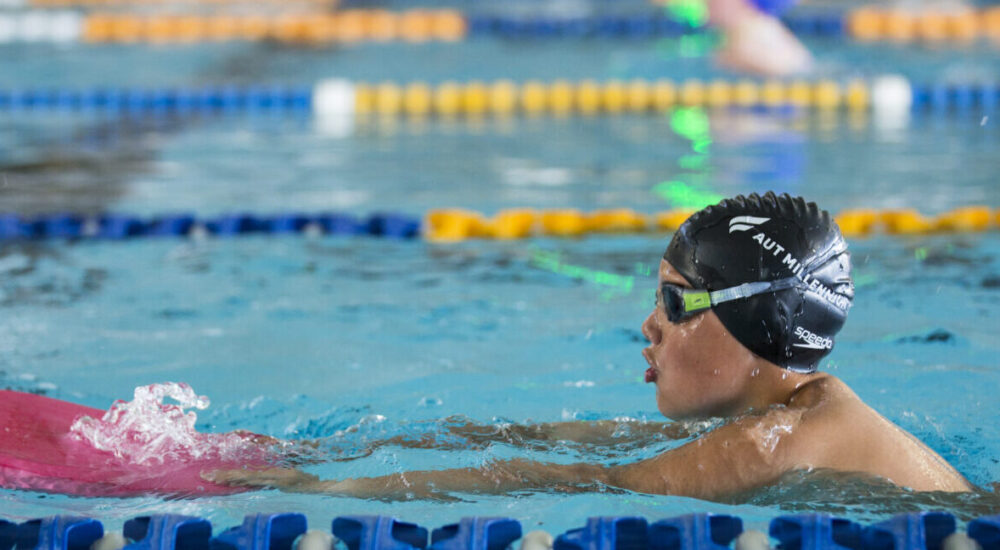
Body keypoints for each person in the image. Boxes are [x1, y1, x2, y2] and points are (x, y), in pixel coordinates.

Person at [207, 192, 972, 500]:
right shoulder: (794, 414)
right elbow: (565, 437)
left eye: (675, 301)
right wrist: (326, 451)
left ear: (758, 324)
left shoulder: (778, 443)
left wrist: (314, 495)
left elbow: (589, 479)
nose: (649, 324)